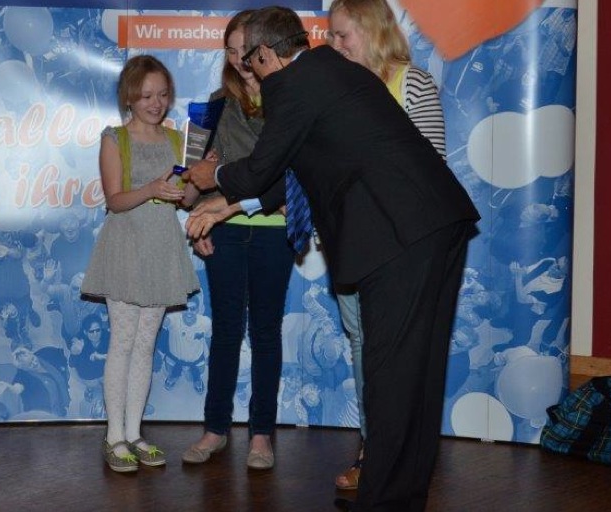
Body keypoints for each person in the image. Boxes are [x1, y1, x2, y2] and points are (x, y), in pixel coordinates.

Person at [186, 7, 479, 512]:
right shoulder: (327, 72)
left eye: (249, 60)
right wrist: (226, 205)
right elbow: (293, 171)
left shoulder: (292, 84)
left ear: (266, 53)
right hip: (433, 224)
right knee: (416, 373)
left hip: (399, 234)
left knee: (390, 377)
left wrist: (212, 178)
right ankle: (402, 496)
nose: (248, 71)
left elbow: (260, 169)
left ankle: (383, 501)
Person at [326, 0, 448, 491]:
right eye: (330, 36)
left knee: (396, 352)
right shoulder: (334, 89)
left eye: (342, 35)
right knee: (363, 344)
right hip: (348, 240)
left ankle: (396, 456)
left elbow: (434, 170)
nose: (333, 45)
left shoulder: (411, 83)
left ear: (373, 30)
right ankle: (372, 448)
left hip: (402, 246)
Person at [181, 10, 295, 471]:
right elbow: (192, 178)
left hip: (275, 229)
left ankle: (262, 434)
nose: (237, 59)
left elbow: (294, 173)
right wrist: (198, 220)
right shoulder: (213, 105)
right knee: (226, 330)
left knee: (266, 332)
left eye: (244, 49)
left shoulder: (288, 99)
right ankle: (215, 429)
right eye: (229, 50)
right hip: (223, 228)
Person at [80, 55, 200, 473]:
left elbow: (186, 199)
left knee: (146, 344)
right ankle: (114, 436)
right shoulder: (115, 139)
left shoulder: (177, 140)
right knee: (123, 341)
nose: (156, 103)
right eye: (147, 95)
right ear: (129, 97)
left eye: (163, 94)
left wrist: (199, 174)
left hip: (162, 248)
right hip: (125, 247)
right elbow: (114, 200)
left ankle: (133, 433)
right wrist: (150, 188)